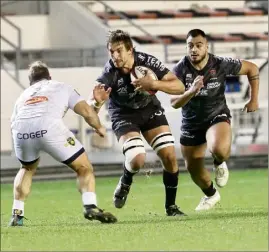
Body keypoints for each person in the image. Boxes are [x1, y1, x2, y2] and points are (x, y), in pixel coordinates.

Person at [90, 29, 186, 216]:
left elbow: (180, 86)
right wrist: (96, 102)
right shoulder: (110, 72)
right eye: (111, 51)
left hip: (149, 109)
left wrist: (154, 84)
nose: (115, 56)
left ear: (130, 50)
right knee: (137, 158)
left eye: (119, 51)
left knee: (169, 155)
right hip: (123, 114)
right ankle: (126, 181)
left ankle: (171, 207)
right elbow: (92, 105)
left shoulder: (147, 62)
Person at [9, 61, 117, 226]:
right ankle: (90, 206)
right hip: (48, 127)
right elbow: (87, 112)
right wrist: (99, 127)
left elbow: (13, 121)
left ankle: (17, 214)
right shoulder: (61, 86)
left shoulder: (23, 95)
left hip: (20, 131)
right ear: (49, 76)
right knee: (84, 167)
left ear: (31, 81)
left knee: (26, 168)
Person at [169, 29, 259, 211]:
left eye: (198, 45)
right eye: (190, 46)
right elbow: (174, 103)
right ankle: (211, 195)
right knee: (193, 168)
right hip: (191, 123)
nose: (194, 49)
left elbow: (252, 68)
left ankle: (219, 161)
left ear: (206, 47)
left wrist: (253, 99)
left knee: (219, 149)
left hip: (216, 115)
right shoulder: (180, 69)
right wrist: (191, 91)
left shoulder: (219, 64)